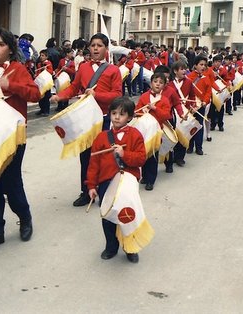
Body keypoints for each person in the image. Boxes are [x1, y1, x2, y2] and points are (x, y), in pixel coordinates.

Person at [0, 28, 41, 250]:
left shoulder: (18, 69)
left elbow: (35, 94)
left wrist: (9, 85)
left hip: (13, 136)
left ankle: (25, 218)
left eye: (1, 44)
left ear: (10, 50)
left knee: (12, 184)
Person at [50, 33, 122, 207]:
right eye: (93, 45)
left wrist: (97, 95)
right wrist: (60, 97)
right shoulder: (82, 67)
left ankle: (105, 190)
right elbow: (74, 88)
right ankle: (86, 191)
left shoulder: (113, 70)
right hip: (84, 119)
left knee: (103, 156)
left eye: (100, 45)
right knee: (85, 157)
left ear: (106, 49)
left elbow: (117, 96)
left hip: (103, 119)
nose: (96, 48)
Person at [87, 96, 146, 263]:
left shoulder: (135, 135)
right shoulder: (101, 137)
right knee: (107, 216)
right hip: (106, 182)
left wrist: (124, 154)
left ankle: (130, 247)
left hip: (127, 181)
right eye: (114, 113)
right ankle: (111, 246)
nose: (117, 117)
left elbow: (141, 159)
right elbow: (94, 164)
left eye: (122, 114)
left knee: (127, 215)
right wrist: (91, 185)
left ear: (130, 117)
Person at [135, 72, 172, 191]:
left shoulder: (165, 100)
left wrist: (155, 109)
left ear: (164, 86)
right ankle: (145, 176)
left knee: (153, 156)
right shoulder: (144, 96)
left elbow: (166, 115)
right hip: (143, 130)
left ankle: (151, 180)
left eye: (161, 83)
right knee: (144, 154)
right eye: (155, 82)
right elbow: (137, 111)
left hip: (156, 132)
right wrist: (141, 112)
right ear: (151, 83)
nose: (158, 84)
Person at [187, 54, 211, 155]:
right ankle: (190, 146)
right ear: (195, 65)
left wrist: (205, 101)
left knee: (200, 126)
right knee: (191, 125)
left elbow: (208, 92)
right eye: (201, 64)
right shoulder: (189, 77)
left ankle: (199, 147)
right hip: (191, 105)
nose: (203, 67)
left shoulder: (206, 78)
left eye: (204, 65)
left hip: (201, 105)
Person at [34, 49, 53, 116]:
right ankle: (41, 109)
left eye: (43, 55)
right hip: (40, 82)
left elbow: (51, 72)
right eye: (40, 55)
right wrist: (36, 75)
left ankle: (46, 111)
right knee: (40, 97)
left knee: (46, 97)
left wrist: (46, 69)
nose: (41, 57)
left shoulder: (48, 63)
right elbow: (37, 72)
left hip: (46, 83)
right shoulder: (39, 64)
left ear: (46, 57)